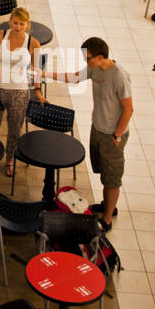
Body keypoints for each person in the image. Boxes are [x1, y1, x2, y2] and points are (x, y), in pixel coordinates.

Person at [44, 36, 133, 230]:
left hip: (112, 135)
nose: (86, 62)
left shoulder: (119, 76)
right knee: (103, 171)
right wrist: (46, 73)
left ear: (101, 57)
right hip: (98, 128)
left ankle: (107, 218)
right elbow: (75, 77)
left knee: (112, 177)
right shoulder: (95, 68)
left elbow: (128, 109)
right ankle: (107, 204)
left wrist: (117, 136)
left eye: (88, 58)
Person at [0, 8, 45, 175]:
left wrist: (37, 91)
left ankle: (10, 158)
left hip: (20, 91)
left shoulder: (33, 43)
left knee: (15, 127)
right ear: (10, 22)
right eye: (15, 23)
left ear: (27, 24)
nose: (18, 27)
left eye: (22, 24)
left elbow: (36, 70)